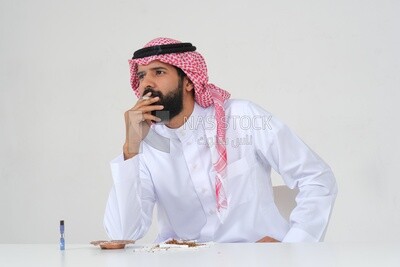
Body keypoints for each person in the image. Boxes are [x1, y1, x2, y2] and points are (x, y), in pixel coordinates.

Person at [104, 37, 338, 243]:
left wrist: (294, 247)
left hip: (254, 259)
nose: (147, 84)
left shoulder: (241, 117)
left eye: (159, 72)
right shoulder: (147, 144)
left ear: (188, 81)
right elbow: (122, 234)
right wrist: (130, 148)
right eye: (142, 75)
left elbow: (317, 178)